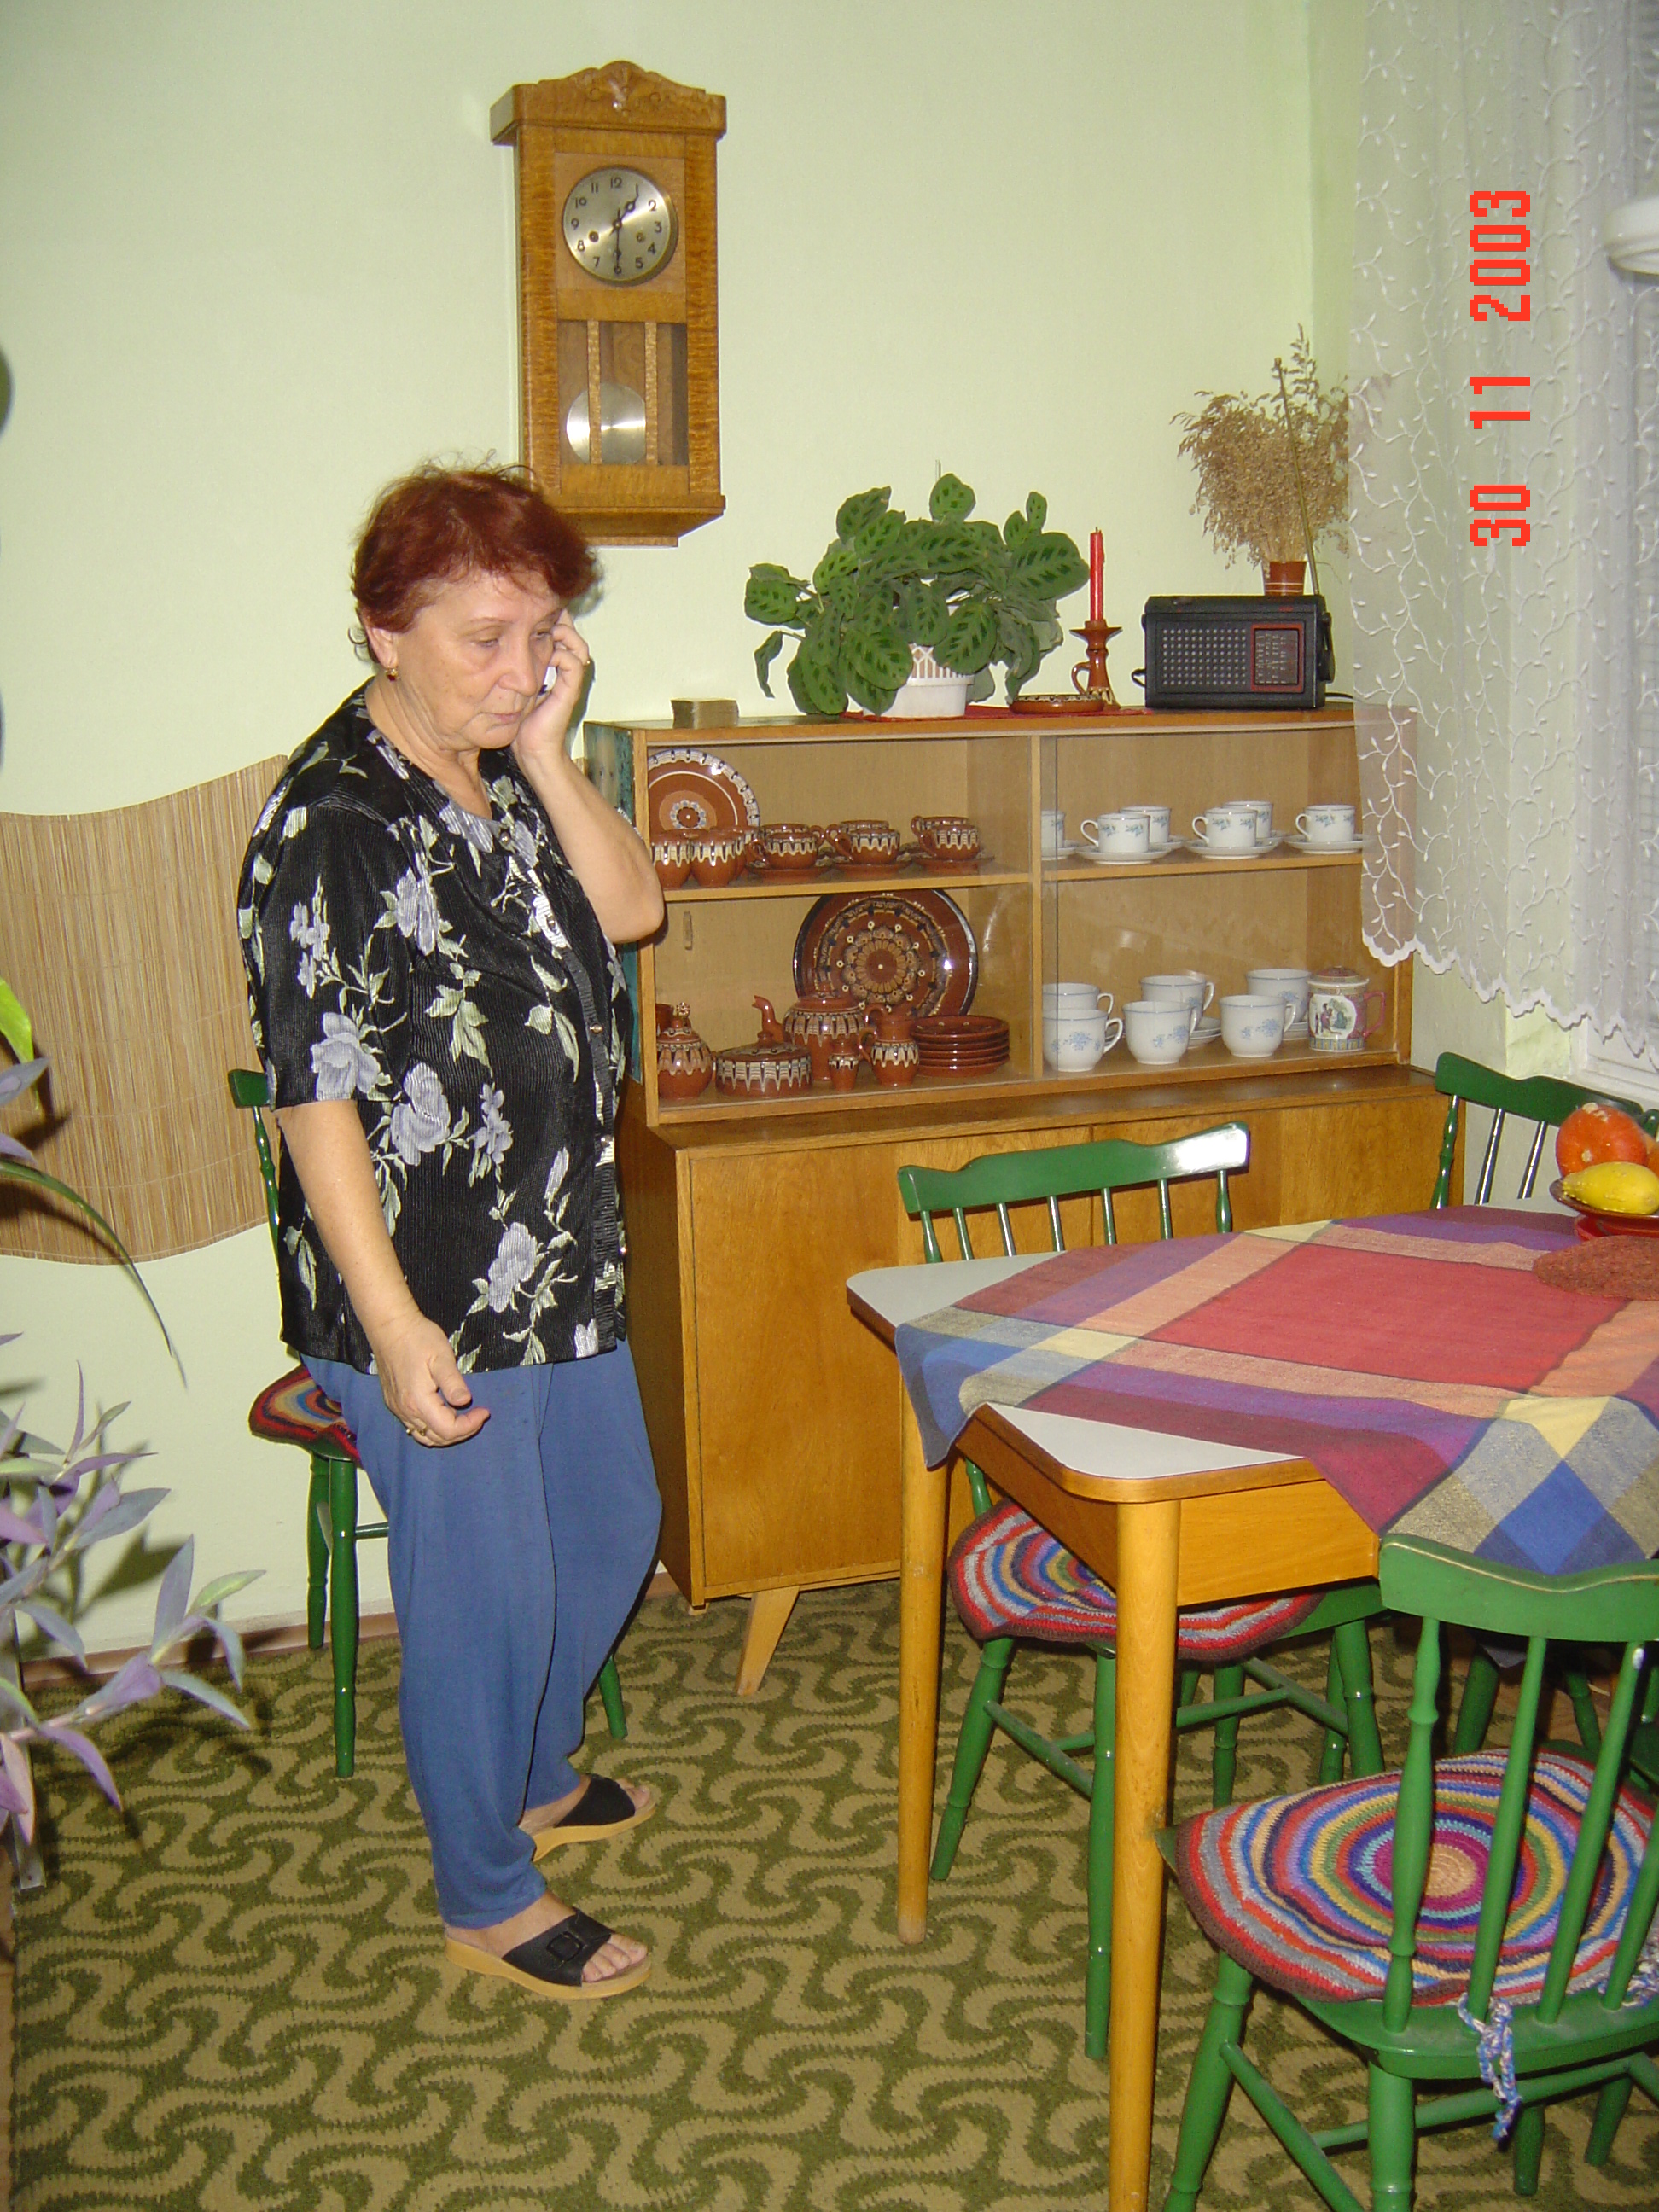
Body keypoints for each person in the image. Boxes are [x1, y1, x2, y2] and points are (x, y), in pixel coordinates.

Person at [237, 463, 666, 2000]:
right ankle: (485, 1890)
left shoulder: (500, 768)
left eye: (543, 634)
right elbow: (313, 1100)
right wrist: (395, 1325)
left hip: (558, 1254)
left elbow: (631, 912)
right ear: (383, 633)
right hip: (426, 1288)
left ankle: (534, 1771)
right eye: (487, 639)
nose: (522, 666)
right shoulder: (332, 822)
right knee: (485, 1601)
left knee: (611, 1528)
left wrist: (549, 750)